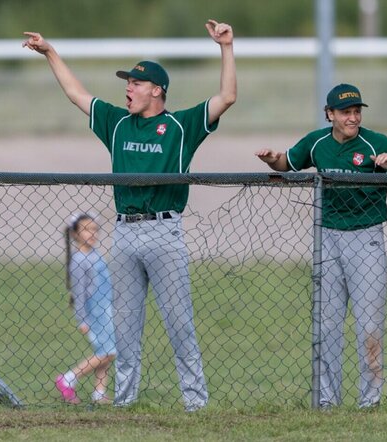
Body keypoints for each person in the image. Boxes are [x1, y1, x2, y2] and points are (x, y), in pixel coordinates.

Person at [23, 19, 237, 412]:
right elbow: (76, 94)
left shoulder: (180, 126)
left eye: (136, 84)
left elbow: (226, 96)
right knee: (125, 327)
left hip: (164, 231)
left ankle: (195, 402)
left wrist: (226, 46)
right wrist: (50, 52)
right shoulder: (117, 123)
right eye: (128, 83)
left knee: (179, 323)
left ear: (157, 91)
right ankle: (124, 401)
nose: (128, 88)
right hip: (124, 234)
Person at [255, 83, 387, 409]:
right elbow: (288, 162)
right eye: (345, 112)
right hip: (326, 239)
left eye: (356, 111)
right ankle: (326, 401)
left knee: (369, 325)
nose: (353, 117)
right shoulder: (317, 143)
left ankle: (369, 402)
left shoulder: (375, 142)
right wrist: (273, 160)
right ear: (330, 114)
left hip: (366, 238)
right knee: (327, 325)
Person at [56, 212, 117, 405]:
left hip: (107, 308)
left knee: (106, 351)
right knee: (108, 351)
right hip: (95, 311)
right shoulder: (79, 260)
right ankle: (68, 378)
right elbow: (79, 294)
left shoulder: (95, 255)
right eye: (86, 230)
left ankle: (99, 393)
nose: (92, 234)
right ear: (75, 234)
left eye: (94, 229)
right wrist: (82, 319)